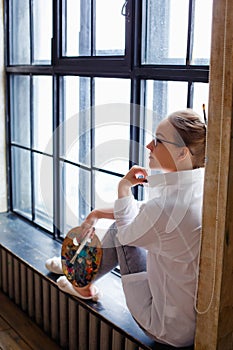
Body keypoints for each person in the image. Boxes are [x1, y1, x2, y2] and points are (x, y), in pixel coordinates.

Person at [45, 108, 206, 347]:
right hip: (189, 322)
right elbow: (145, 216)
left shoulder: (167, 206)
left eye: (159, 140)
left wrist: (123, 187)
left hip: (165, 326)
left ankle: (82, 280)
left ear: (182, 153)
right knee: (125, 221)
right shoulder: (201, 187)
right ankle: (77, 269)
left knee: (120, 232)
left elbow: (127, 231)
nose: (149, 145)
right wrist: (96, 213)